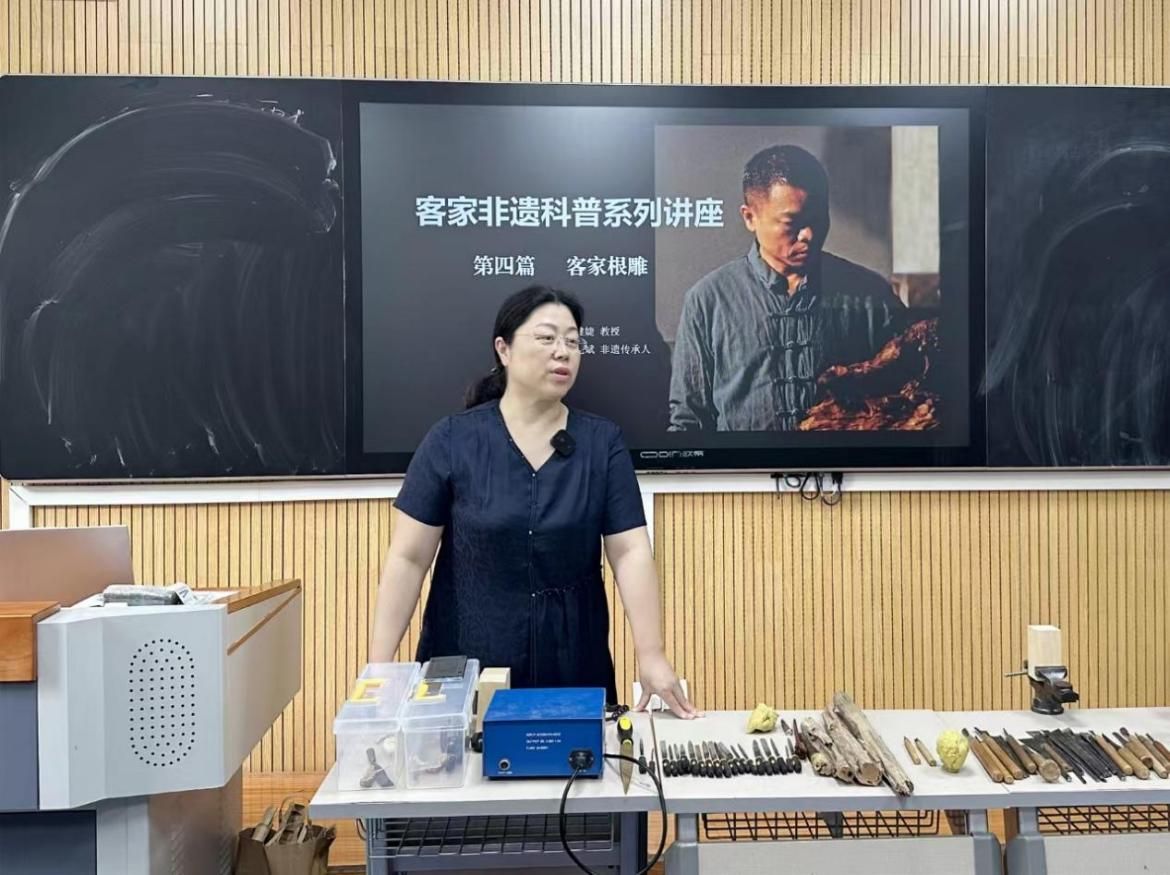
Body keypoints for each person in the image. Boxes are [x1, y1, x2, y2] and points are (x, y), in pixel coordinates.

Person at [370, 284, 697, 718]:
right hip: (466, 664)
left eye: (573, 342)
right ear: (503, 349)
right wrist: (379, 670)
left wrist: (651, 654)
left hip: (571, 664)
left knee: (577, 758)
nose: (563, 352)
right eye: (546, 338)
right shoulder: (452, 440)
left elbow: (630, 550)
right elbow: (408, 558)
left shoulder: (601, 443)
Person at [669, 144, 906, 431]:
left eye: (818, 219)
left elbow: (909, 397)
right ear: (750, 217)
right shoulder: (708, 301)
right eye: (792, 223)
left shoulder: (870, 295)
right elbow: (689, 419)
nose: (808, 235)